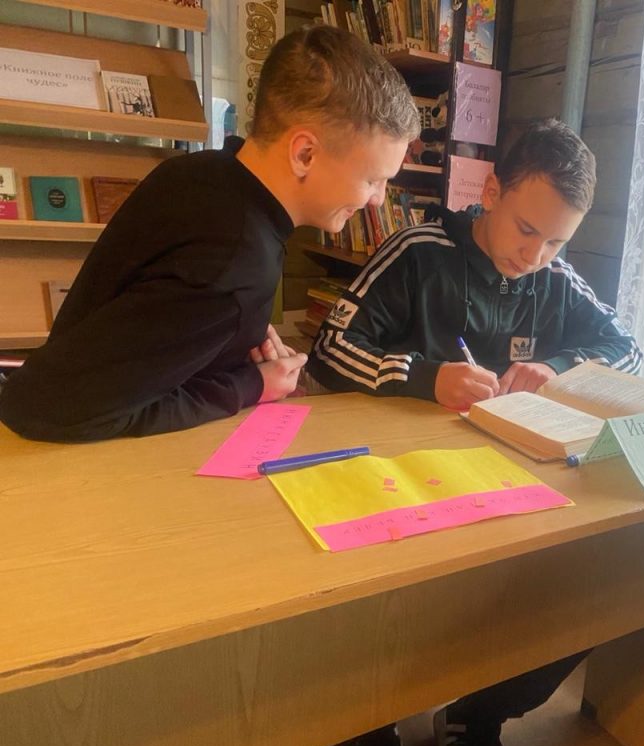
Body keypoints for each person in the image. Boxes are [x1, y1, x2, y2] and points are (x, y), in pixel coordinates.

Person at [305, 119, 641, 746]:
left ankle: (478, 714)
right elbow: (331, 346)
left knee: (594, 585)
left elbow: (625, 348)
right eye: (525, 229)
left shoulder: (554, 276)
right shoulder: (419, 251)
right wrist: (424, 377)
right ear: (491, 192)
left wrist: (557, 368)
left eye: (556, 241)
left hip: (504, 484)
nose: (535, 255)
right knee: (368, 608)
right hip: (399, 483)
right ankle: (364, 721)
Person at [0, 26, 419, 443]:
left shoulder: (201, 171)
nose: (377, 201)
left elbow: (152, 316)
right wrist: (251, 386)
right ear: (305, 153)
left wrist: (232, 340)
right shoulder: (235, 265)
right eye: (372, 179)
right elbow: (52, 409)